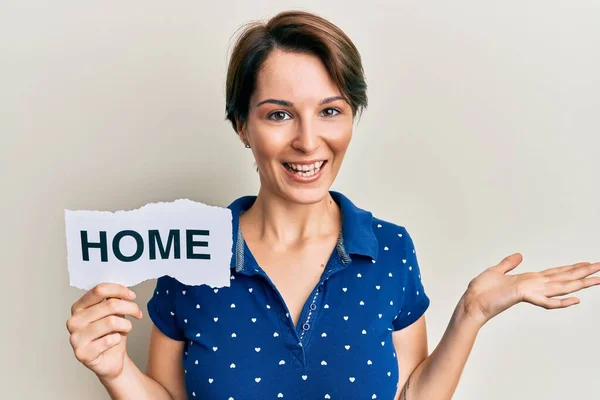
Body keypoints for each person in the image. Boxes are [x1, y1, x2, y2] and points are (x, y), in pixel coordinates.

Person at [66, 10, 600, 400]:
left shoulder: (390, 249)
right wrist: (115, 372)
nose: (308, 141)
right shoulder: (191, 258)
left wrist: (471, 314)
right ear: (242, 127)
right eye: (278, 114)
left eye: (330, 111)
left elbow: (410, 397)